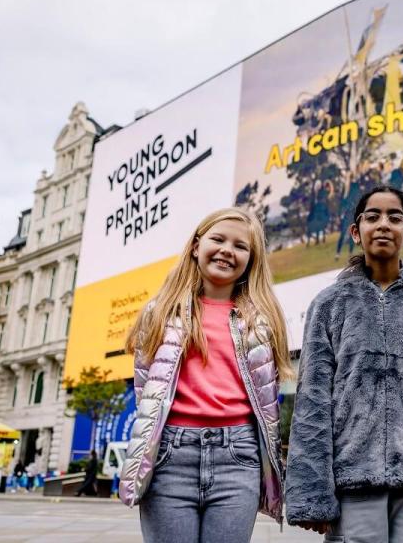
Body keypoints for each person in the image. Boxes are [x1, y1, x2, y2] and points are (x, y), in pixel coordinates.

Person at [286, 186, 403, 542]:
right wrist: (312, 494)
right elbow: (312, 403)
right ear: (356, 232)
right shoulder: (329, 304)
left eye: (395, 217)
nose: (383, 224)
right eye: (372, 216)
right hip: (352, 483)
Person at [118, 208, 294, 543]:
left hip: (239, 458)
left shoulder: (261, 320)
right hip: (170, 456)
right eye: (218, 239)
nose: (228, 249)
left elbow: (268, 397)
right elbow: (146, 392)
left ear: (251, 260)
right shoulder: (160, 311)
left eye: (241, 246)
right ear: (197, 246)